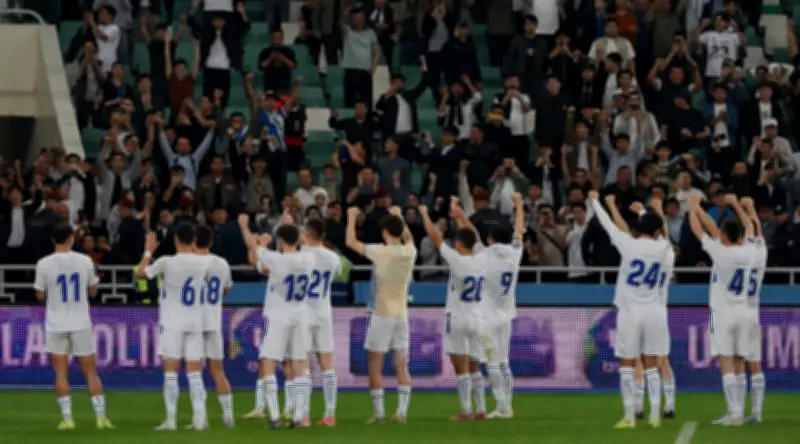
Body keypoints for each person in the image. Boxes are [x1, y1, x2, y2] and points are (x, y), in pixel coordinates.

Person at [588, 190, 672, 429]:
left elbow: (610, 225)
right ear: (657, 231)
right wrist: (646, 211)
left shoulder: (629, 245)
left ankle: (629, 416)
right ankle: (655, 415)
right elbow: (659, 230)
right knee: (652, 365)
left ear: (638, 229)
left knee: (627, 364)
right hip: (654, 311)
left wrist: (596, 201)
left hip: (631, 312)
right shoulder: (664, 248)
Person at [450, 192, 524, 419]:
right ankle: (507, 405)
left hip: (487, 317)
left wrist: (458, 211)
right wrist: (519, 206)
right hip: (507, 315)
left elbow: (469, 229)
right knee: (504, 363)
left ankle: (502, 407)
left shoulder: (486, 255)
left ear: (491, 238)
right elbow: (520, 230)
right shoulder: (515, 253)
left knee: (492, 363)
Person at [34, 223, 113, 431]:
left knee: (60, 374)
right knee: (90, 372)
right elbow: (93, 292)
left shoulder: (43, 264)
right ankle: (101, 418)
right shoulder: (85, 260)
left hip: (56, 324)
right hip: (80, 323)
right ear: (72, 238)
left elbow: (40, 295)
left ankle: (68, 420)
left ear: (53, 240)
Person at [135, 223, 214, 430]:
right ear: (194, 240)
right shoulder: (203, 263)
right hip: (195, 322)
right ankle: (200, 419)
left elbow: (142, 273)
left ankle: (171, 420)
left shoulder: (166, 262)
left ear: (176, 239)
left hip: (172, 323)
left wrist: (148, 251)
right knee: (195, 373)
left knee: (170, 372)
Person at [686, 194, 755, 427]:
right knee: (739, 362)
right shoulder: (748, 252)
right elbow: (748, 225)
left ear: (724, 236)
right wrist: (737, 206)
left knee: (726, 361)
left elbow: (698, 230)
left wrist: (693, 208)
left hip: (724, 314)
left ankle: (734, 413)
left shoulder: (720, 253)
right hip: (744, 313)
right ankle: (737, 412)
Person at [238, 214, 313, 429]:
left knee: (268, 361)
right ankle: (299, 416)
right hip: (300, 316)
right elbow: (260, 261)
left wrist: (245, 227)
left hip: (279, 316)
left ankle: (273, 416)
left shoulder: (278, 260)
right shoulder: (308, 259)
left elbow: (253, 248)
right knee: (299, 363)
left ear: (280, 241)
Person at [345, 205, 416, 424]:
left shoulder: (380, 251)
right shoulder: (409, 252)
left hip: (382, 314)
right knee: (401, 367)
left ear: (385, 232)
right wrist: (399, 215)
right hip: (401, 316)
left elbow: (350, 242)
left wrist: (351, 217)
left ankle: (378, 414)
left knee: (375, 364)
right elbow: (408, 237)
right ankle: (401, 413)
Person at [418, 203, 486, 421]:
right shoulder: (483, 259)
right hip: (477, 318)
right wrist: (460, 216)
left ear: (458, 243)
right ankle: (481, 408)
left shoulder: (457, 259)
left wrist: (425, 214)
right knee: (475, 364)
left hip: (457, 318)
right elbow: (473, 235)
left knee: (460, 366)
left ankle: (466, 410)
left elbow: (436, 237)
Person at [712, 197, 766, 424]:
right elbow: (755, 229)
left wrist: (738, 206)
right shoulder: (757, 252)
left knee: (734, 362)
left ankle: (736, 411)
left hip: (734, 309)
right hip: (752, 311)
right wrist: (750, 209)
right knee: (752, 363)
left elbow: (750, 229)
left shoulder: (734, 253)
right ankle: (754, 412)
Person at [193, 224, 235, 428]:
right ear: (210, 241)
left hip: (193, 324)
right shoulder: (221, 263)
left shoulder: (187, 263)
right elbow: (226, 291)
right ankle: (228, 416)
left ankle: (200, 419)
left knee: (195, 371)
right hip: (213, 321)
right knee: (217, 370)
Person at [302, 218, 342, 426]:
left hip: (304, 313)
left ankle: (305, 415)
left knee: (304, 364)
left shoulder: (301, 256)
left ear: (307, 234)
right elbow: (337, 275)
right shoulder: (333, 257)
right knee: (327, 363)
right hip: (323, 312)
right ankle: (329, 414)